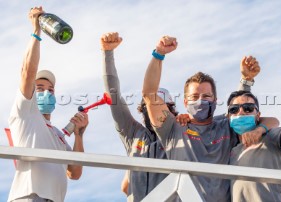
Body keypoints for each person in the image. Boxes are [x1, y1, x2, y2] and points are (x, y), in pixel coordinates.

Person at [142, 35, 278, 201]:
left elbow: (265, 118)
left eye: (206, 96)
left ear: (215, 100)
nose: (200, 100)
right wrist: (159, 54)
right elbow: (149, 94)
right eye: (194, 96)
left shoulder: (226, 126)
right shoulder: (173, 127)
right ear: (185, 102)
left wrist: (247, 80)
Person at [8, 7, 88, 202]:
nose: (46, 92)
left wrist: (79, 135)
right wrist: (37, 31)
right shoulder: (24, 112)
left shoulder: (59, 136)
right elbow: (28, 71)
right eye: (40, 88)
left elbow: (75, 172)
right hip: (29, 197)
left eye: (51, 90)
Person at [101, 32, 179, 201]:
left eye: (161, 105)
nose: (153, 109)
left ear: (173, 111)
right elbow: (113, 95)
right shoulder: (133, 134)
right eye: (147, 106)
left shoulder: (181, 134)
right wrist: (107, 53)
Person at [229, 67, 281, 201]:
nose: (240, 112)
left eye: (248, 108)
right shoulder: (232, 149)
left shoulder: (272, 137)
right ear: (228, 116)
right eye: (234, 109)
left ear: (258, 116)